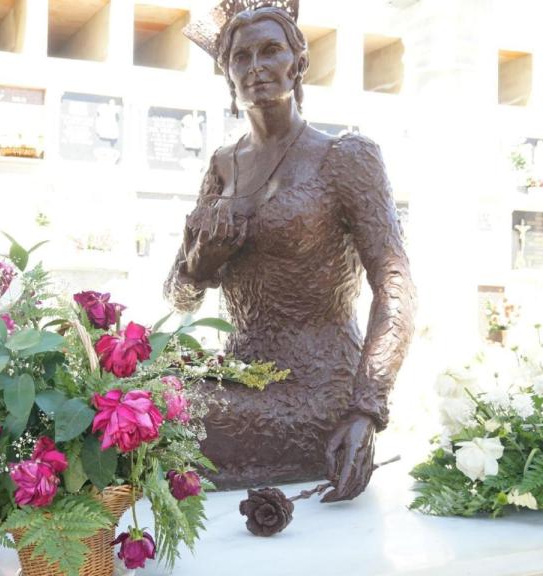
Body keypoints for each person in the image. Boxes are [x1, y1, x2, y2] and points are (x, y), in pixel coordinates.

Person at [168, 1, 415, 501]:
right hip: (240, 374)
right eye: (241, 56)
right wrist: (201, 264)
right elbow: (179, 294)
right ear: (227, 72)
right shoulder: (222, 165)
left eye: (270, 51)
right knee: (129, 395)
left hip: (319, 392)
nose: (256, 67)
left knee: (154, 416)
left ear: (298, 63)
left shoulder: (345, 156)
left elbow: (396, 288)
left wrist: (366, 410)